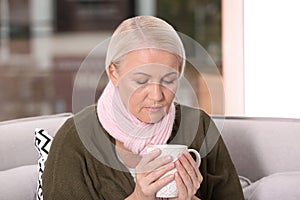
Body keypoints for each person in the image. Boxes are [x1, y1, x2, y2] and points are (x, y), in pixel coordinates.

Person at [43, 16, 244, 200]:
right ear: (114, 73)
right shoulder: (75, 138)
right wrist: (139, 197)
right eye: (141, 81)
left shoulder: (199, 126)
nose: (157, 96)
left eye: (169, 80)